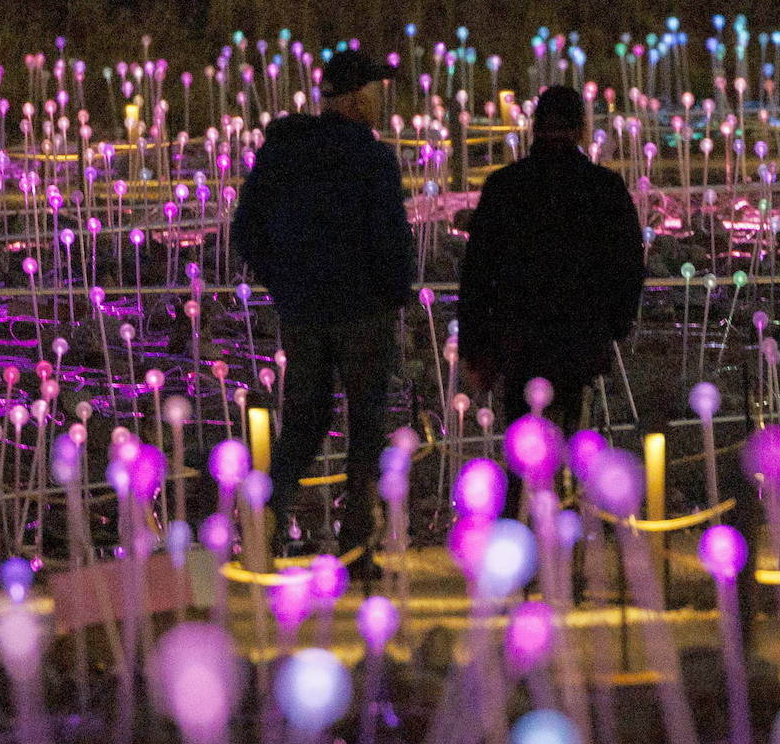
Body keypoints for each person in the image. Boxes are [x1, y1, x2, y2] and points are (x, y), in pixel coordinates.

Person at [233, 48, 414, 574]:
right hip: (362, 312)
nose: (381, 101)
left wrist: (284, 280)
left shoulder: (285, 153)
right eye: (376, 92)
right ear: (358, 100)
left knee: (305, 419)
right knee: (365, 425)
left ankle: (266, 516)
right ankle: (356, 546)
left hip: (305, 310)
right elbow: (391, 240)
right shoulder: (371, 160)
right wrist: (393, 292)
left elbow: (247, 229)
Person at [458, 85, 644, 518]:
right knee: (573, 442)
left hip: (517, 341)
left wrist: (477, 345)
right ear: (583, 130)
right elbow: (629, 266)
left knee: (522, 446)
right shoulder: (603, 188)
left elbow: (477, 273)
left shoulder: (505, 187)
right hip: (580, 339)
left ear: (534, 128)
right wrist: (613, 328)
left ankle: (517, 541)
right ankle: (568, 541)